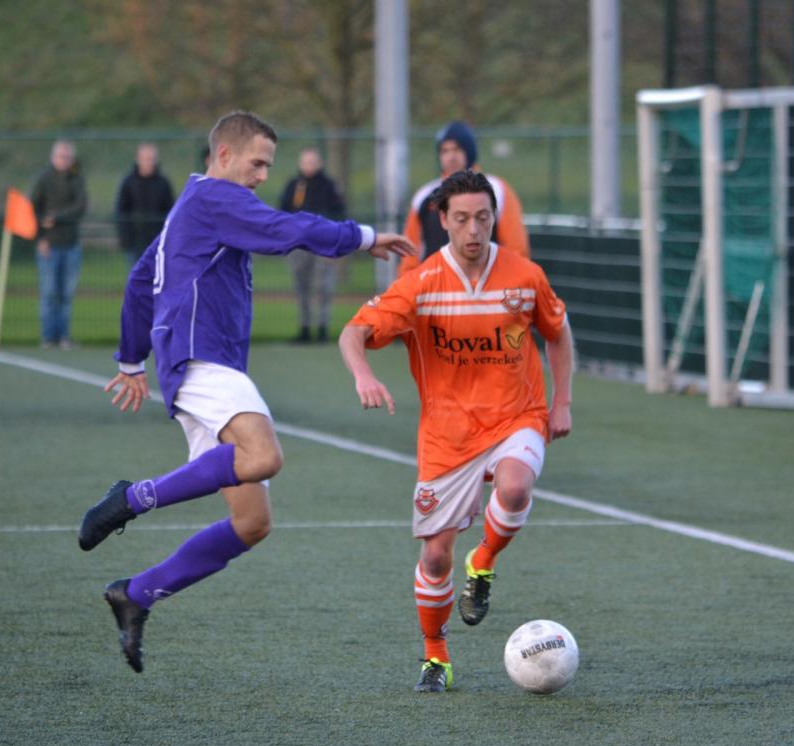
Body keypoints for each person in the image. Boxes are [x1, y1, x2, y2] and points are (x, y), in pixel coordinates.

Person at [77, 111, 416, 673]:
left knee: (252, 523)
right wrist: (361, 237)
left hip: (194, 364)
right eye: (258, 162)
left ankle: (135, 595)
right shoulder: (213, 198)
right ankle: (129, 499)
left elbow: (142, 278)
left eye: (269, 165)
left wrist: (131, 358)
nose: (262, 175)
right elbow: (285, 231)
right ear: (225, 155)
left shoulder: (193, 206)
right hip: (202, 357)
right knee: (264, 456)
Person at [339, 170, 574, 693]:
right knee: (435, 555)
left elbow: (557, 333)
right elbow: (353, 332)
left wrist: (561, 402)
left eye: (483, 218)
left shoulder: (524, 276)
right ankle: (436, 657)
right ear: (442, 220)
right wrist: (364, 375)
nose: (474, 229)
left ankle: (484, 560)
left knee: (515, 486)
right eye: (462, 219)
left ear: (494, 219)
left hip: (518, 415)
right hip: (447, 437)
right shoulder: (421, 285)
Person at [396, 120, 530, 277]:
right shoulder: (424, 196)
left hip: (485, 285)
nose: (451, 157)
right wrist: (409, 286)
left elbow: (516, 247)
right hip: (437, 288)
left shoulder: (497, 189)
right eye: (445, 151)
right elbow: (410, 253)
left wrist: (513, 283)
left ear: (470, 151)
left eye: (457, 149)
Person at [278, 148, 347, 342]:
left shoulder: (329, 187)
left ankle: (323, 328)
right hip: (299, 247)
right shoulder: (294, 185)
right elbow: (283, 212)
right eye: (305, 162)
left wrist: (334, 243)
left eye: (313, 162)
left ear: (320, 163)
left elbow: (339, 214)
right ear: (300, 164)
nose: (309, 166)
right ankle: (305, 328)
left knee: (324, 287)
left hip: (323, 247)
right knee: (302, 287)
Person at [31, 139, 88, 349]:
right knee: (49, 293)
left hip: (71, 244)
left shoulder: (76, 179)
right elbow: (33, 210)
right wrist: (41, 237)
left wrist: (56, 217)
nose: (64, 160)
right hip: (49, 246)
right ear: (53, 157)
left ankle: (64, 337)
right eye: (61, 156)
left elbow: (80, 207)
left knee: (66, 294)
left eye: (68, 157)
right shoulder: (43, 179)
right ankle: (48, 338)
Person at [115, 143, 175, 266]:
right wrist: (126, 239)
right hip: (135, 243)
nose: (149, 162)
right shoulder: (128, 182)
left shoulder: (163, 183)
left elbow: (171, 211)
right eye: (146, 158)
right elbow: (121, 211)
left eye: (151, 158)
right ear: (138, 159)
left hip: (157, 242)